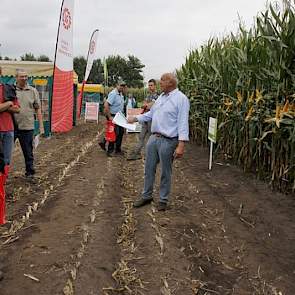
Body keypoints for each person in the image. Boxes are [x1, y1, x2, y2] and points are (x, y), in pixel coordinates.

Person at [127, 73, 190, 211]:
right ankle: (147, 195)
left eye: (162, 80)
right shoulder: (161, 97)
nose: (159, 82)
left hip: (169, 141)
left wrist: (181, 145)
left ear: (171, 83)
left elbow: (183, 122)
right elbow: (151, 114)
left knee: (165, 172)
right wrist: (135, 118)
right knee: (148, 168)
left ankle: (163, 199)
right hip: (154, 138)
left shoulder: (181, 99)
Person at [14, 69, 44, 178]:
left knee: (28, 152)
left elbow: (38, 109)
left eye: (26, 76)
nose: (24, 78)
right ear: (16, 77)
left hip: (27, 126)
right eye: (21, 76)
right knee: (5, 153)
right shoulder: (12, 90)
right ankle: (3, 174)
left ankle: (30, 173)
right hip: (12, 126)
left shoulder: (33, 91)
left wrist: (41, 126)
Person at [127, 79, 158, 160]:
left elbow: (150, 106)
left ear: (155, 86)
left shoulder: (157, 95)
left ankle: (152, 155)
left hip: (152, 119)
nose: (150, 87)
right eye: (149, 85)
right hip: (145, 118)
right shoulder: (148, 95)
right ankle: (136, 154)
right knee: (141, 136)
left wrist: (146, 105)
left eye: (151, 85)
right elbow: (143, 104)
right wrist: (146, 105)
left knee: (151, 138)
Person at [99, 81, 126, 156]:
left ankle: (117, 149)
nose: (122, 87)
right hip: (113, 116)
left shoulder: (121, 94)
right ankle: (110, 151)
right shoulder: (113, 94)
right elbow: (106, 105)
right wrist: (110, 116)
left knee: (120, 132)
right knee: (114, 133)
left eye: (123, 86)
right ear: (117, 85)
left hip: (119, 116)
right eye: (121, 85)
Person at [0, 66, 20, 167]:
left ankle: (3, 182)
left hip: (9, 129)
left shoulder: (8, 88)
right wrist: (8, 103)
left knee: (7, 160)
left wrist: (3, 106)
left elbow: (17, 109)